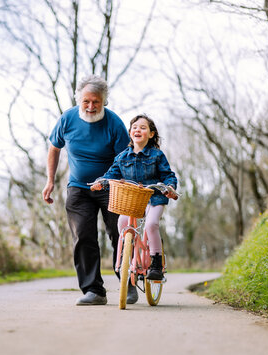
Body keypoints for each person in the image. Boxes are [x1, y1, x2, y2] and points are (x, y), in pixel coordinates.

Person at [42, 75, 130, 306]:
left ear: (104, 102)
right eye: (86, 102)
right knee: (83, 237)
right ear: (79, 100)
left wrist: (129, 184)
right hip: (79, 188)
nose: (91, 107)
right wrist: (50, 181)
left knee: (118, 234)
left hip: (111, 187)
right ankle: (94, 290)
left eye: (96, 102)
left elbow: (126, 160)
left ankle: (127, 282)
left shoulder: (114, 124)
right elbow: (54, 148)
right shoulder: (67, 119)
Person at [90, 114, 178, 303]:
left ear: (151, 134)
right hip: (132, 199)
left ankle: (155, 262)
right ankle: (126, 255)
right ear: (130, 133)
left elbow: (168, 175)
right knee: (121, 222)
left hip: (153, 196)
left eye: (143, 127)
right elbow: (111, 174)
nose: (138, 130)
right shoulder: (122, 156)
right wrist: (101, 182)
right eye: (134, 127)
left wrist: (169, 188)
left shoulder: (156, 155)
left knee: (151, 225)